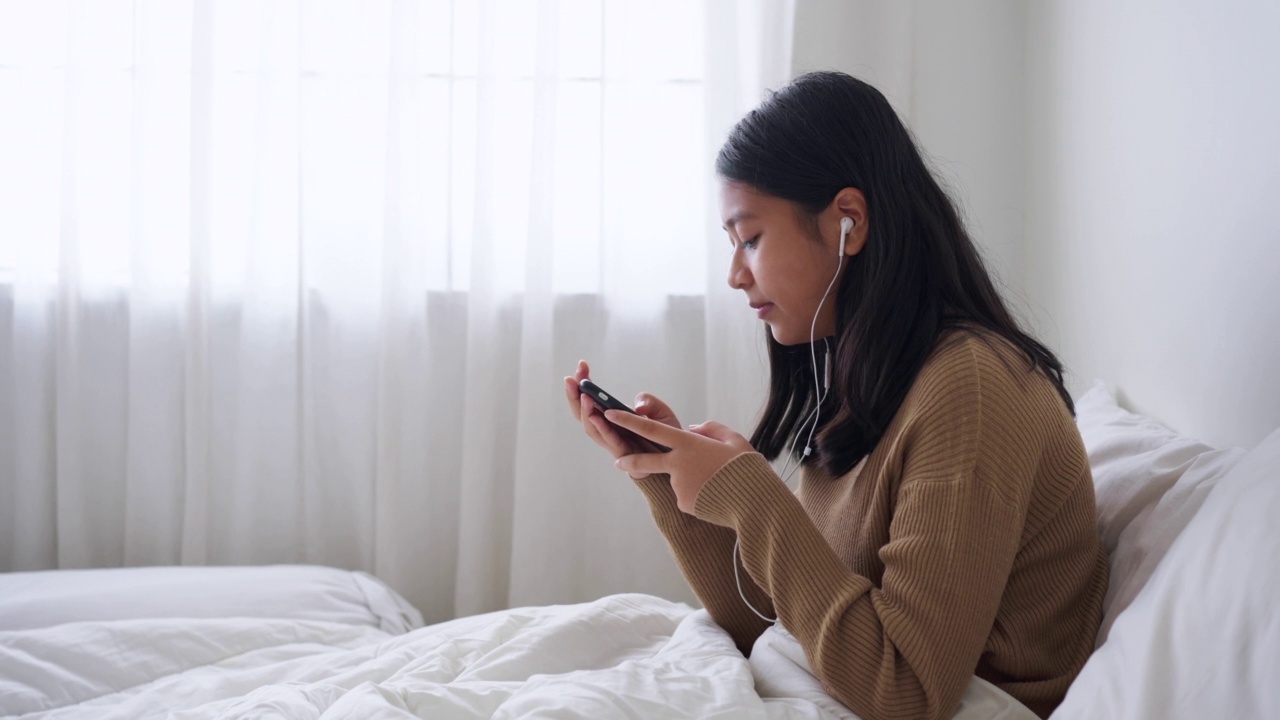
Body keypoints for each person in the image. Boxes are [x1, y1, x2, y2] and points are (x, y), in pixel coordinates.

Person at [562, 71, 1107, 720]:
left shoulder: (972, 391)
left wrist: (754, 496)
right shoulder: (872, 384)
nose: (736, 275)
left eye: (751, 238)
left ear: (849, 220)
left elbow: (905, 689)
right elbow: (777, 626)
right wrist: (665, 476)